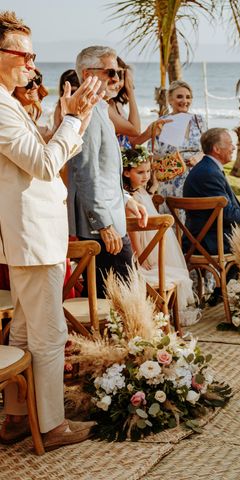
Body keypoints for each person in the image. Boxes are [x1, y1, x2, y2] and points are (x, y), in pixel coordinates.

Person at [0, 10, 103, 449]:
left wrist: (65, 115)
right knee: (49, 335)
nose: (32, 63)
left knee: (24, 332)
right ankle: (52, 427)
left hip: (28, 235)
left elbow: (33, 154)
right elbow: (43, 164)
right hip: (31, 236)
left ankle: (16, 418)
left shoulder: (9, 103)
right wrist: (74, 120)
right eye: (24, 53)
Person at [66, 45, 147, 298]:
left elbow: (104, 170)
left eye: (119, 73)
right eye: (111, 72)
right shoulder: (87, 114)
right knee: (124, 298)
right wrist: (103, 224)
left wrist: (125, 199)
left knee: (114, 299)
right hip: (101, 228)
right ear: (88, 73)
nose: (117, 80)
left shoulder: (101, 109)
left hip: (110, 219)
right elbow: (84, 172)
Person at [122, 146, 201, 326]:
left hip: (154, 245)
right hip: (144, 250)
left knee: (178, 272)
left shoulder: (141, 191)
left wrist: (153, 187)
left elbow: (146, 199)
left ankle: (167, 312)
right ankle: (160, 313)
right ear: (126, 173)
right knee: (171, 273)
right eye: (140, 172)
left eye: (148, 171)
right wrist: (141, 259)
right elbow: (133, 232)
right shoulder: (129, 201)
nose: (146, 176)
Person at [182, 128, 240, 255]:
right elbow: (228, 213)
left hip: (205, 237)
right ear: (216, 149)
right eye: (230, 144)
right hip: (208, 242)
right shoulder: (209, 173)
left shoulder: (206, 168)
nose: (233, 148)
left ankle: (237, 275)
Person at [154, 80, 206, 210]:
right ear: (170, 99)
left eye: (188, 97)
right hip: (170, 182)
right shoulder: (162, 122)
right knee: (173, 222)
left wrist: (199, 157)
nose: (185, 101)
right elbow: (153, 154)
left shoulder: (199, 120)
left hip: (196, 178)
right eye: (179, 96)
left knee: (194, 220)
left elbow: (207, 149)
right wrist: (174, 160)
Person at [109, 57, 168, 149]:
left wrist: (149, 132)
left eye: (120, 75)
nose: (116, 80)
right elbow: (135, 130)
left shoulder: (117, 104)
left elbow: (131, 142)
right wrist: (130, 90)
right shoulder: (105, 106)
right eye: (111, 74)